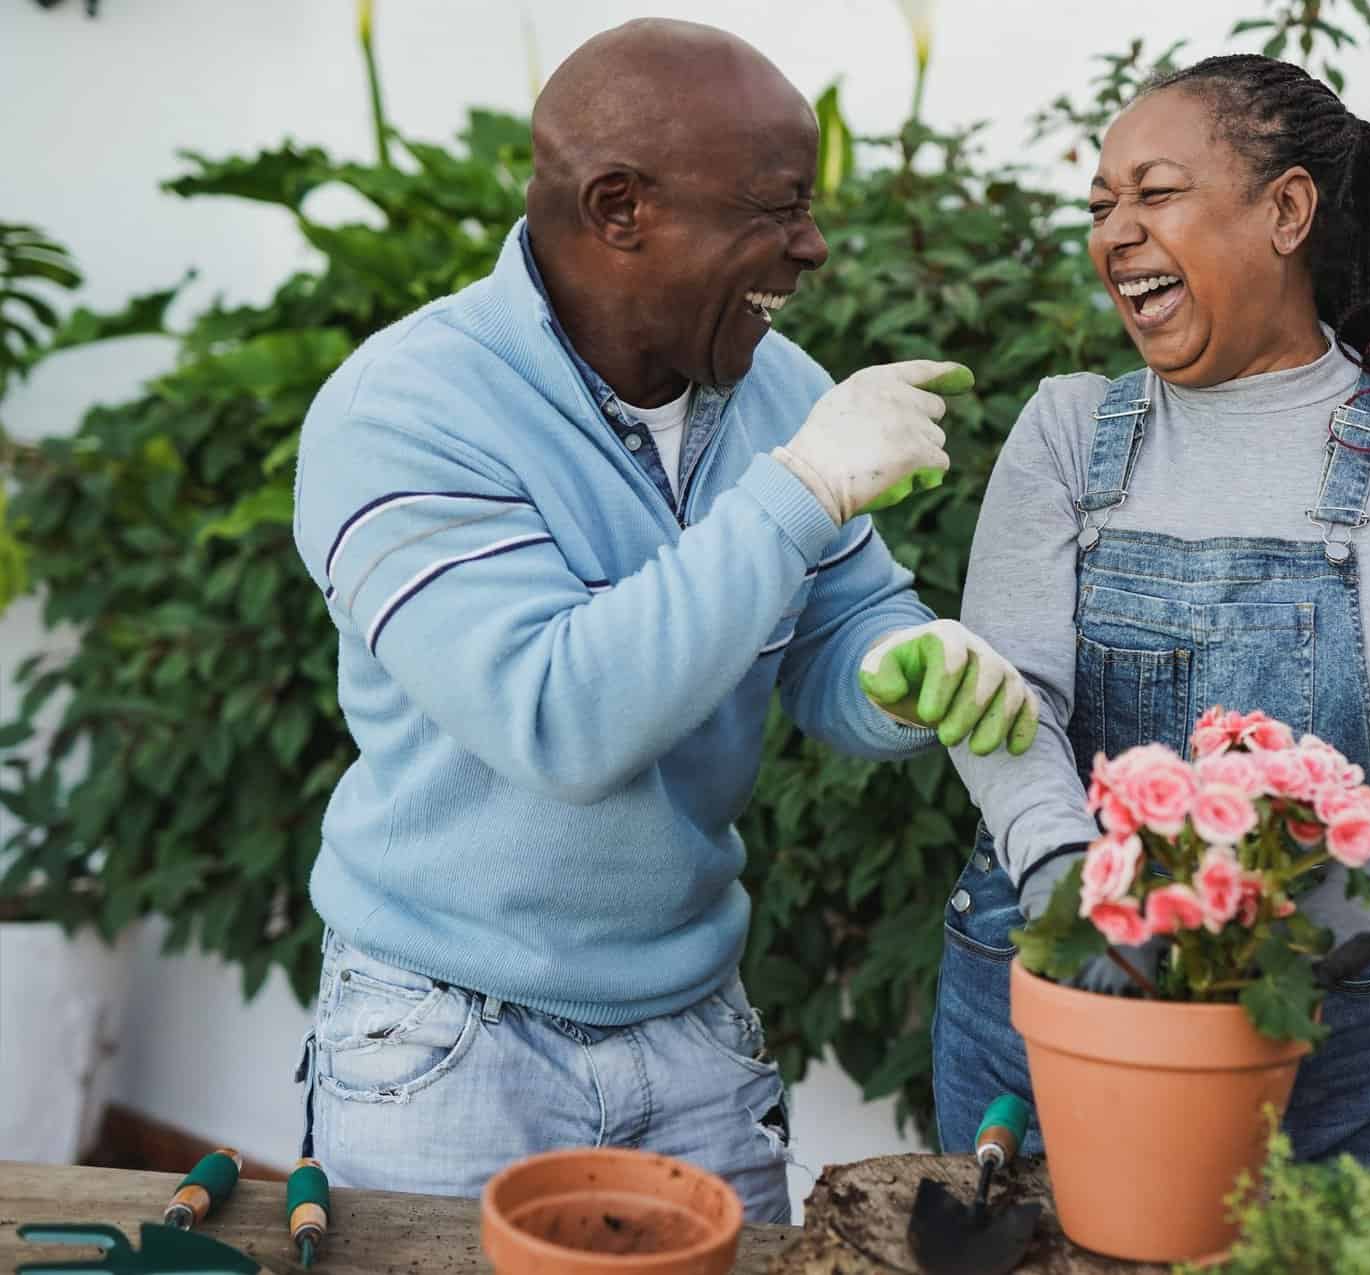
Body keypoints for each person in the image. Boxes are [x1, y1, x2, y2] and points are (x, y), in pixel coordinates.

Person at [288, 19, 1034, 1220]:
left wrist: (902, 664)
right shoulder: (404, 409)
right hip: (448, 1044)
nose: (812, 244)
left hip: (696, 1028)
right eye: (774, 206)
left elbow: (838, 628)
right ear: (620, 207)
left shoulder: (771, 385)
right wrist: (798, 492)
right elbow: (558, 720)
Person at [932, 54, 1370, 1177]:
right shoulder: (1067, 431)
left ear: (1285, 210)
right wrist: (1063, 891)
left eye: (1155, 192)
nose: (1115, 232)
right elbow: (1009, 698)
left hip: (1335, 1016)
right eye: (1100, 206)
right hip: (1055, 994)